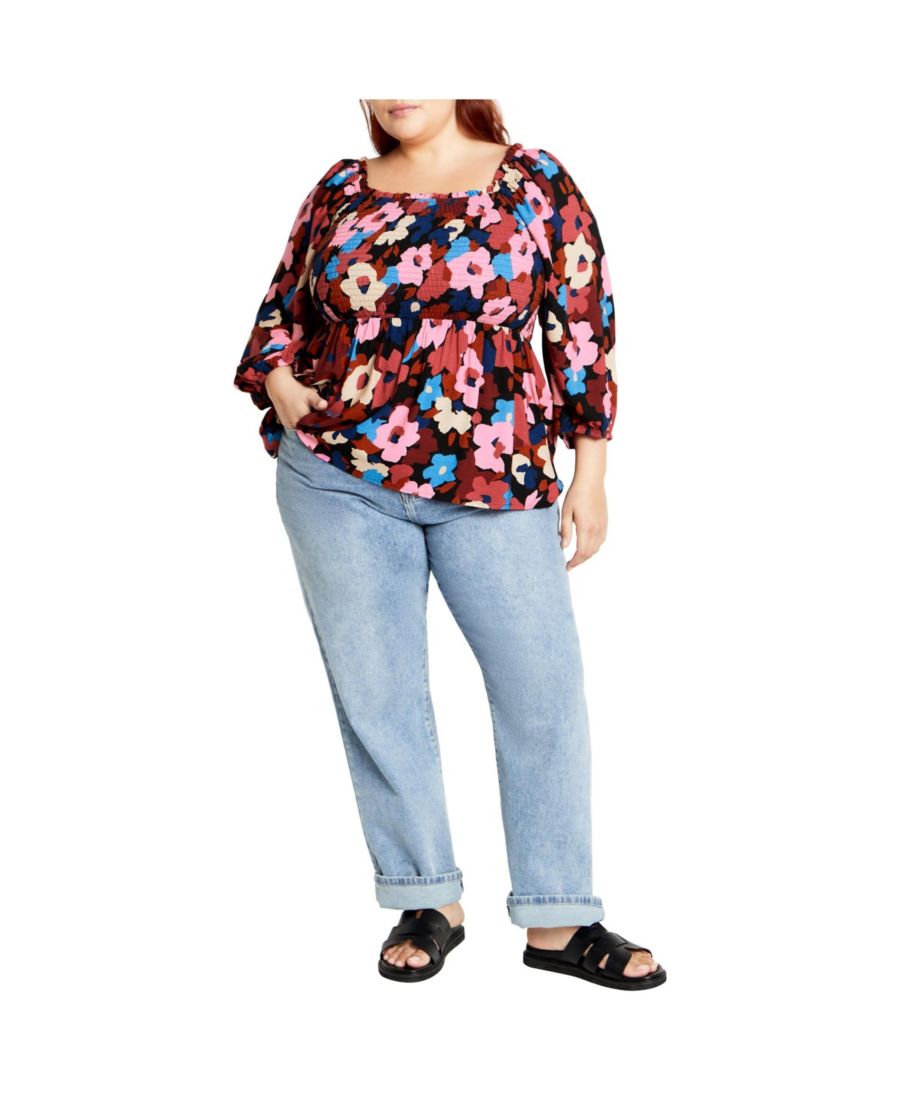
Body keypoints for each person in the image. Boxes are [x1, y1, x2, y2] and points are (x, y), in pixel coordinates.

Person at [232, 98, 666, 990]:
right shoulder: (341, 188)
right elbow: (282, 310)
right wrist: (277, 380)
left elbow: (582, 326)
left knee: (541, 690)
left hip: (494, 473)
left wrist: (590, 470)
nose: (396, 90)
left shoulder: (535, 181)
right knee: (379, 695)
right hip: (337, 475)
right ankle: (425, 897)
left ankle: (559, 917)